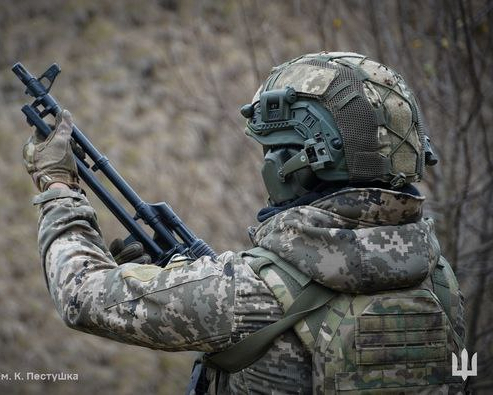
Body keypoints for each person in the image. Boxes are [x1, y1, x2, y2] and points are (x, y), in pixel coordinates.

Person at [23, 52, 466, 394]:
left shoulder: (245, 294)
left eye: (271, 151)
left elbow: (80, 294)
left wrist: (58, 185)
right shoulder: (439, 280)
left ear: (295, 165)